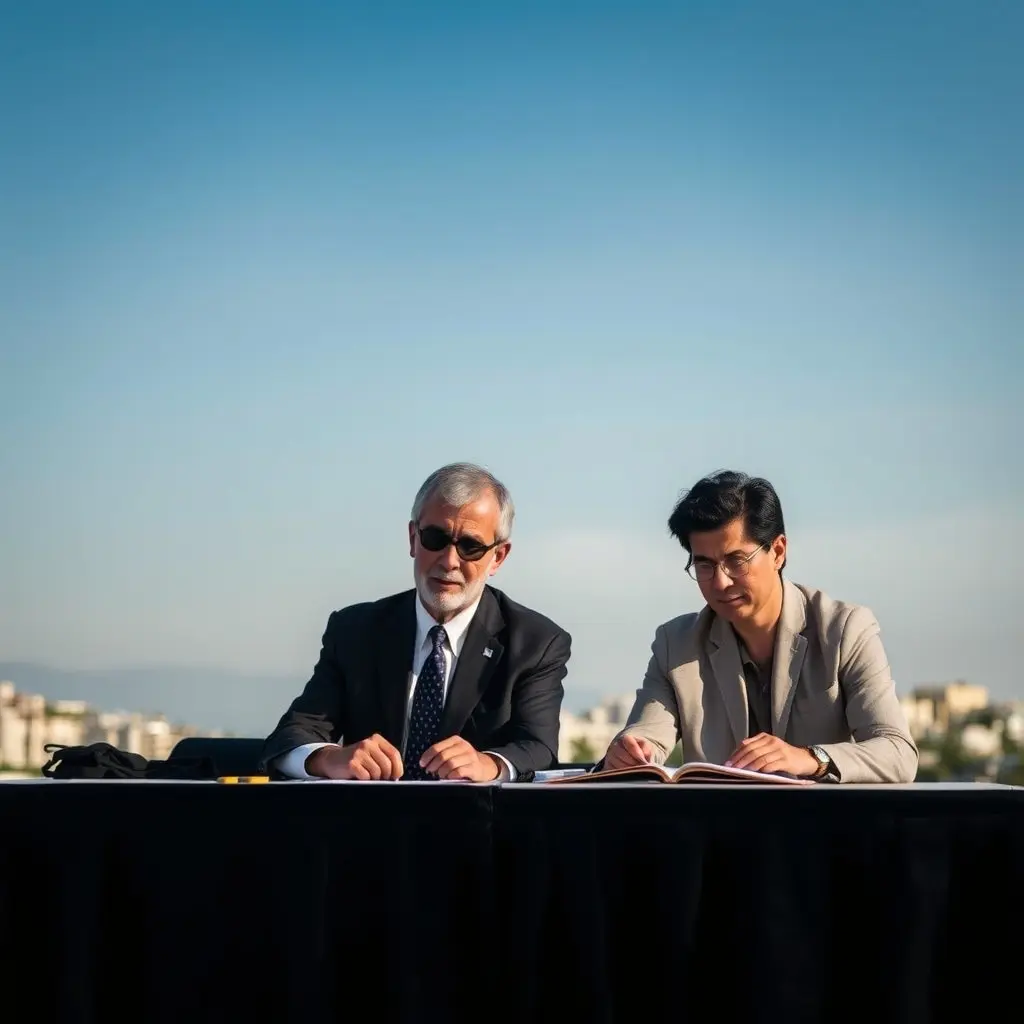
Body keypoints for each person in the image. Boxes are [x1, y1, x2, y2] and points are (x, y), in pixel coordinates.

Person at [260, 462, 571, 781]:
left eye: (470, 546)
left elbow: (538, 747)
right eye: (435, 538)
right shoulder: (355, 631)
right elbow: (291, 735)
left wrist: (489, 765)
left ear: (498, 557)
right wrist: (328, 759)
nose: (449, 561)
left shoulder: (535, 643)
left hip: (475, 813)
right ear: (413, 538)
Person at [602, 471, 917, 783]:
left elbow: (898, 752)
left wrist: (810, 758)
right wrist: (629, 753)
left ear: (778, 551)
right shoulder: (676, 644)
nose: (720, 582)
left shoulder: (844, 630)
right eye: (704, 565)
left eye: (736, 561)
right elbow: (645, 737)